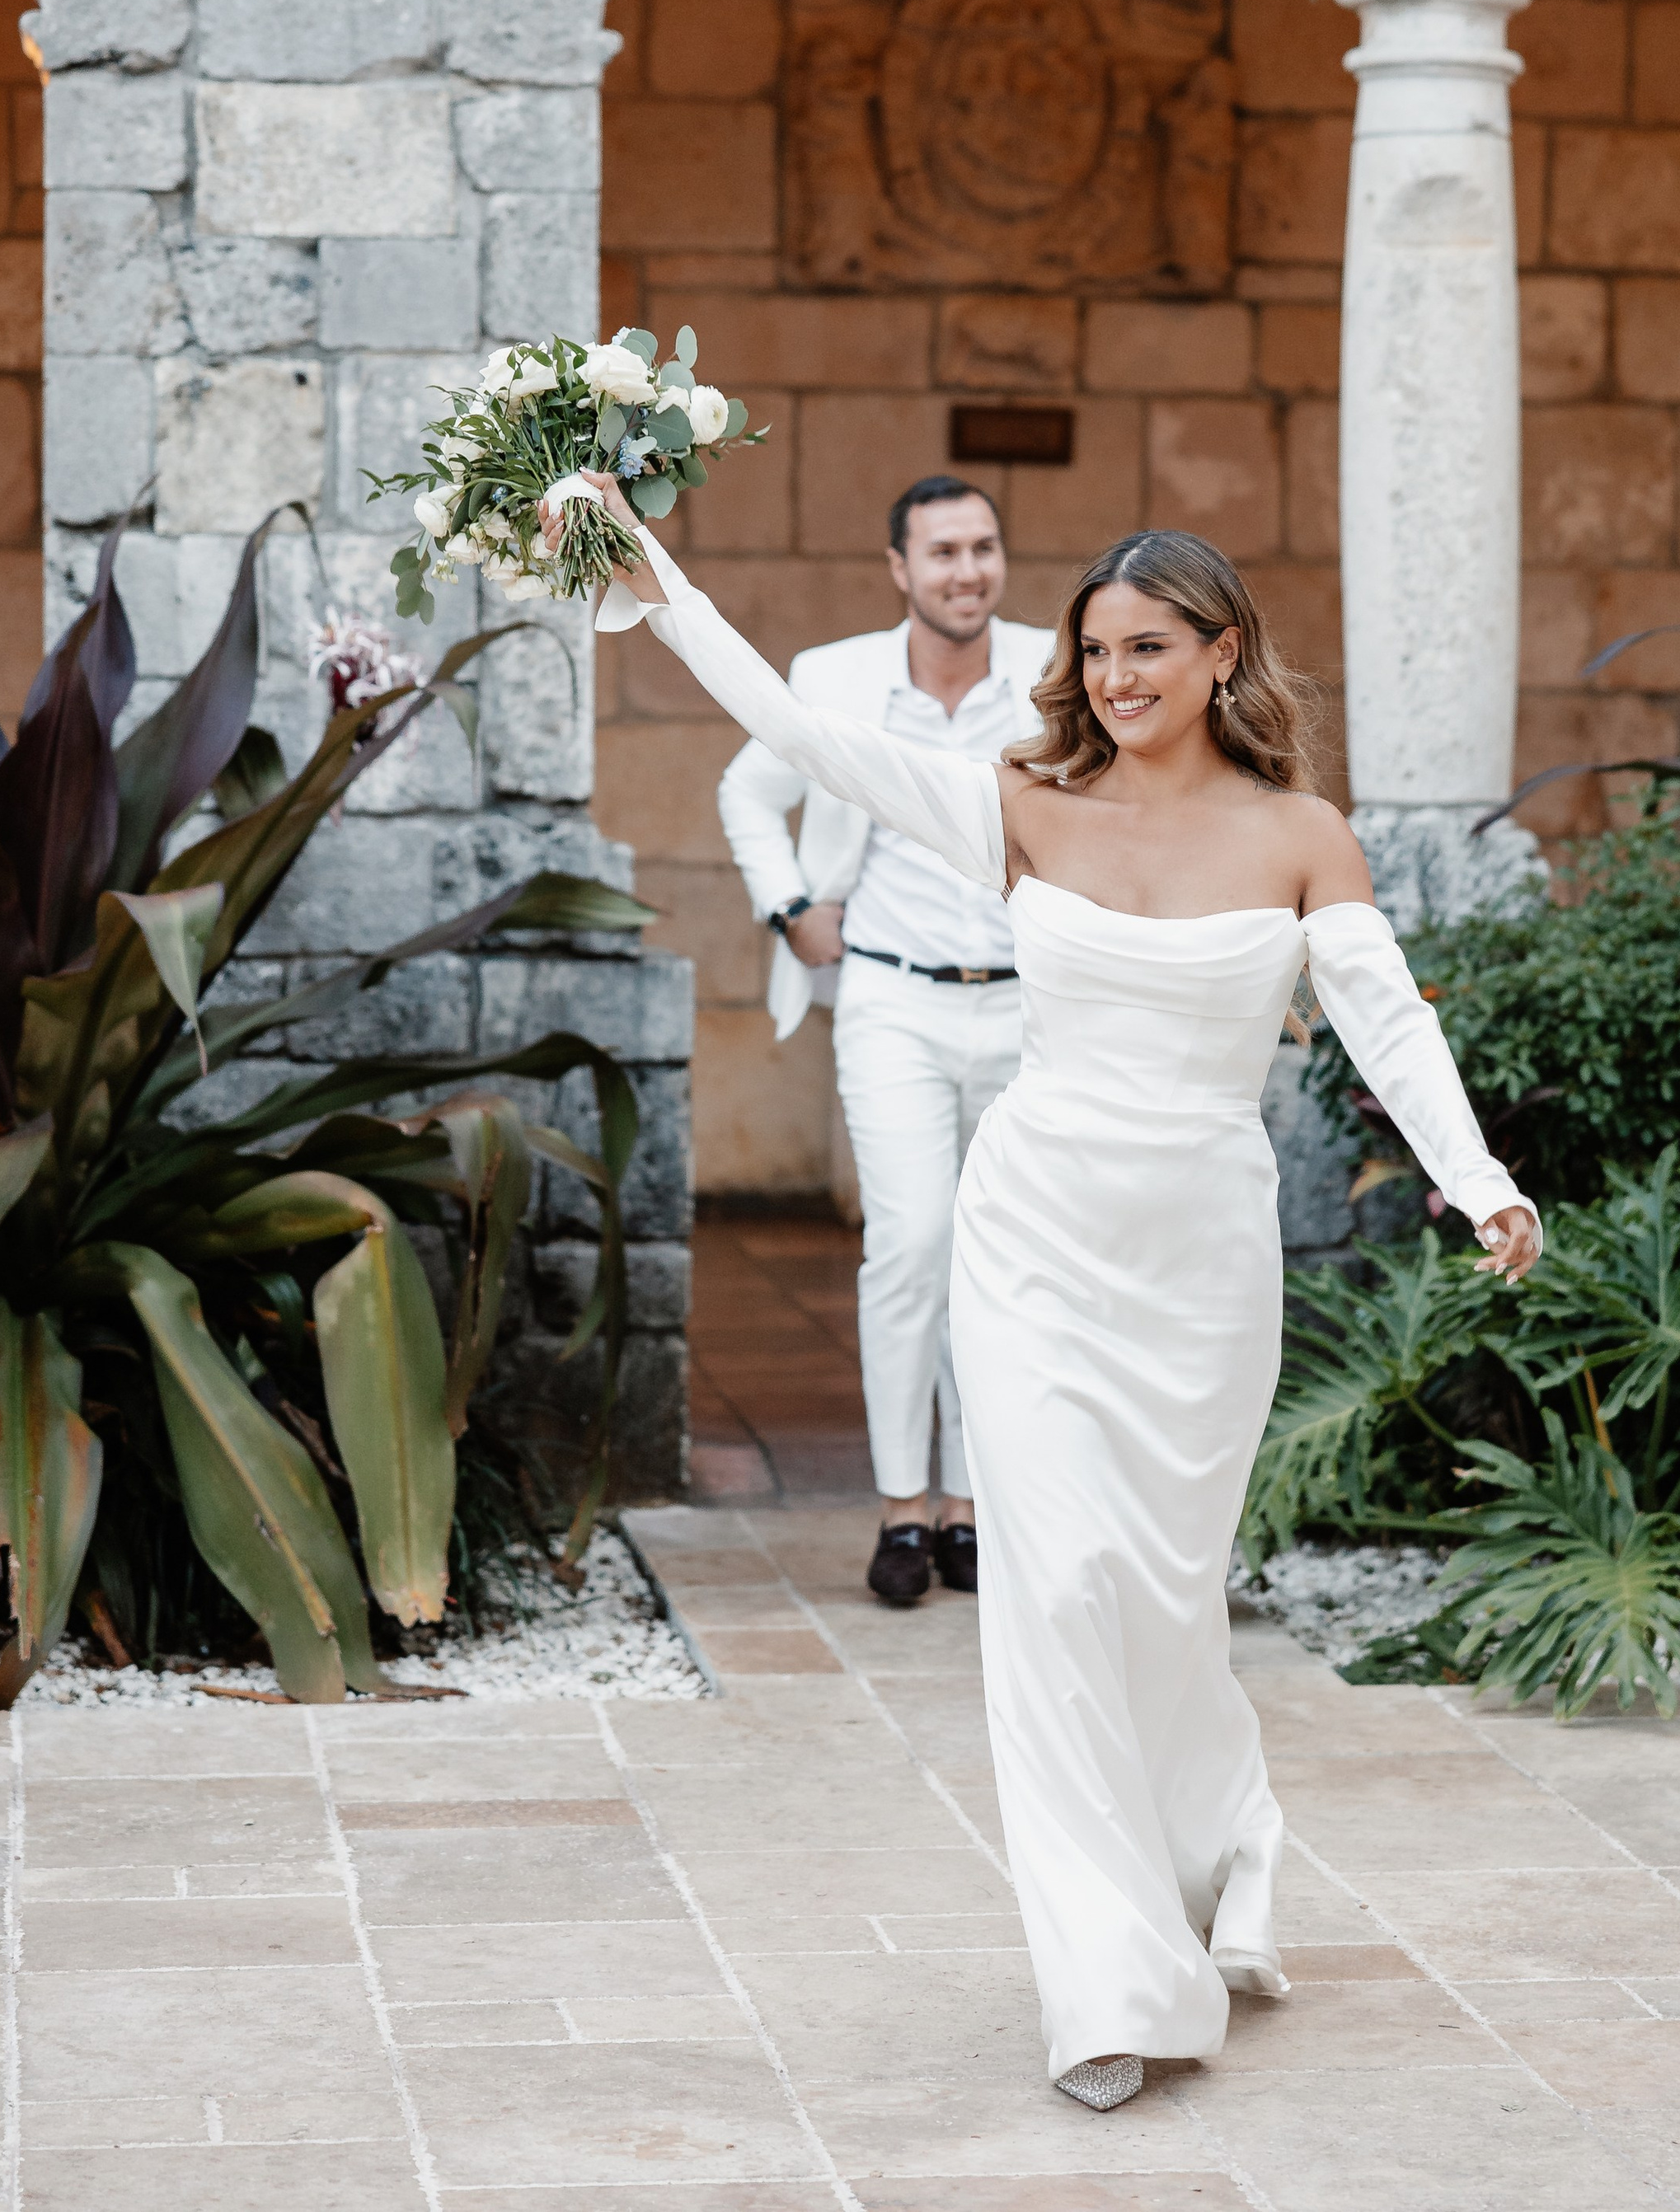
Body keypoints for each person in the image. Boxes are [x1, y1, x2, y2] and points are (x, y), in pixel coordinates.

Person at [562, 479, 1541, 2111]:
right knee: (1055, 1588)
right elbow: (797, 739)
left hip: (1200, 1266)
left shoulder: (1301, 837)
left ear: (1221, 653)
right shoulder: (1011, 797)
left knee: (1162, 1596)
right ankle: (1107, 1984)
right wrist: (646, 574)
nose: (1114, 677)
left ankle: (1223, 1852)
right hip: (1030, 1241)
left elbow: (1387, 1022)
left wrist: (1479, 1178)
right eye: (1094, 650)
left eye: (1148, 647)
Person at [713, 476, 1053, 1608]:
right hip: (893, 1001)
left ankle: (971, 1509)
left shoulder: (1054, 676)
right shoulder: (836, 681)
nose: (968, 570)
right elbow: (745, 792)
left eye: (984, 548)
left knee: (996, 1259)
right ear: (899, 569)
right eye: (944, 552)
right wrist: (791, 906)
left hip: (1027, 1011)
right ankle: (904, 1510)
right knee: (910, 1243)